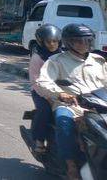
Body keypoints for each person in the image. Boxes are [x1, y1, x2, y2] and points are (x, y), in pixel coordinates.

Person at [35, 23, 107, 180]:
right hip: (70, 105)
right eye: (79, 41)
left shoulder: (99, 61)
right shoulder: (56, 61)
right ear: (69, 43)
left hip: (99, 105)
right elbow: (43, 81)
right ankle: (71, 166)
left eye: (87, 41)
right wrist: (60, 93)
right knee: (63, 121)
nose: (84, 44)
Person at [28, 24, 62, 154]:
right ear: (42, 42)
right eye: (49, 42)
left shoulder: (62, 56)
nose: (52, 44)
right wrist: (48, 97)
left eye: (55, 41)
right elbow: (35, 81)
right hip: (40, 92)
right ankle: (39, 140)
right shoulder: (38, 58)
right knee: (45, 110)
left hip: (60, 91)